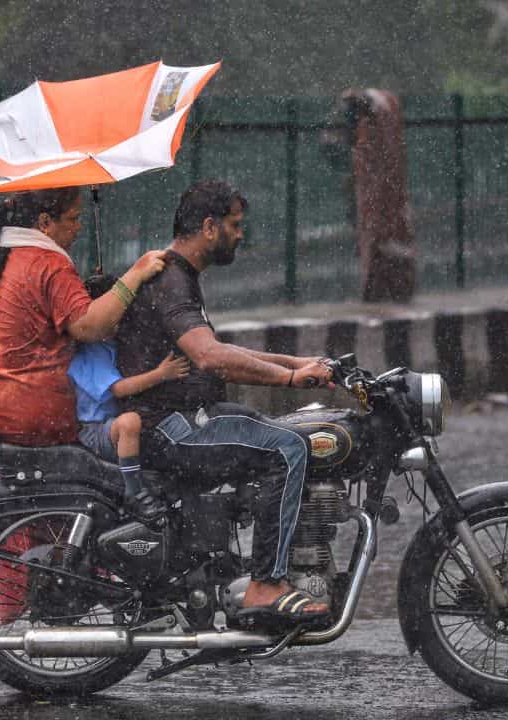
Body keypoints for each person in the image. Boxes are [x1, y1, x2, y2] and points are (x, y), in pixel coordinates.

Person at [115, 179, 336, 626]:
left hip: (184, 416)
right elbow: (209, 356)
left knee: (269, 426)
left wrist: (297, 360)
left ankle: (233, 564)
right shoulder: (172, 280)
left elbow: (216, 349)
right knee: (289, 448)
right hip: (169, 424)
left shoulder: (181, 276)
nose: (241, 235)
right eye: (235, 226)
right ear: (209, 227)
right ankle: (266, 585)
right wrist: (291, 378)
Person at [0, 188, 167, 482]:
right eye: (73, 218)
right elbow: (90, 326)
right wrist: (136, 274)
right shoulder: (48, 263)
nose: (79, 226)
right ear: (44, 223)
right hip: (29, 414)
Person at [69, 273, 192, 524]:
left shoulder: (113, 343)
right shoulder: (92, 351)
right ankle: (133, 491)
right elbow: (119, 389)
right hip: (93, 431)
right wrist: (161, 374)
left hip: (108, 428)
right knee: (130, 423)